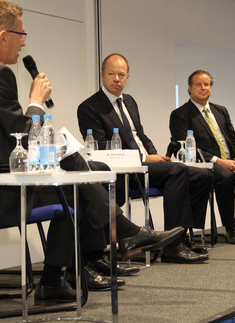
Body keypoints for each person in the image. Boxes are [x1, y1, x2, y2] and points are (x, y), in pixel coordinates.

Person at [0, 0, 184, 305]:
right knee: (77, 185)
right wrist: (36, 101)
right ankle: (71, 268)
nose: (24, 42)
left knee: (80, 165)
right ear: (3, 36)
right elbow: (27, 137)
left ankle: (98, 253)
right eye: (21, 35)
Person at [77, 53, 213, 263]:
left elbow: (140, 135)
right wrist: (146, 157)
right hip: (123, 171)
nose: (116, 79)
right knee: (178, 171)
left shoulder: (129, 101)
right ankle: (173, 248)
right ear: (102, 75)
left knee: (202, 175)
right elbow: (102, 148)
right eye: (112, 74)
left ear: (128, 78)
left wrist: (156, 154)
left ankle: (181, 235)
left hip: (146, 164)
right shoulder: (89, 107)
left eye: (121, 75)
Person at [169, 70, 235, 244]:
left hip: (233, 161)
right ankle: (230, 229)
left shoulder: (221, 111)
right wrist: (220, 161)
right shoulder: (180, 114)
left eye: (207, 84)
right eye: (199, 84)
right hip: (207, 165)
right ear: (189, 88)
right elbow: (187, 147)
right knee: (225, 177)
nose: (203, 88)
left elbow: (234, 139)